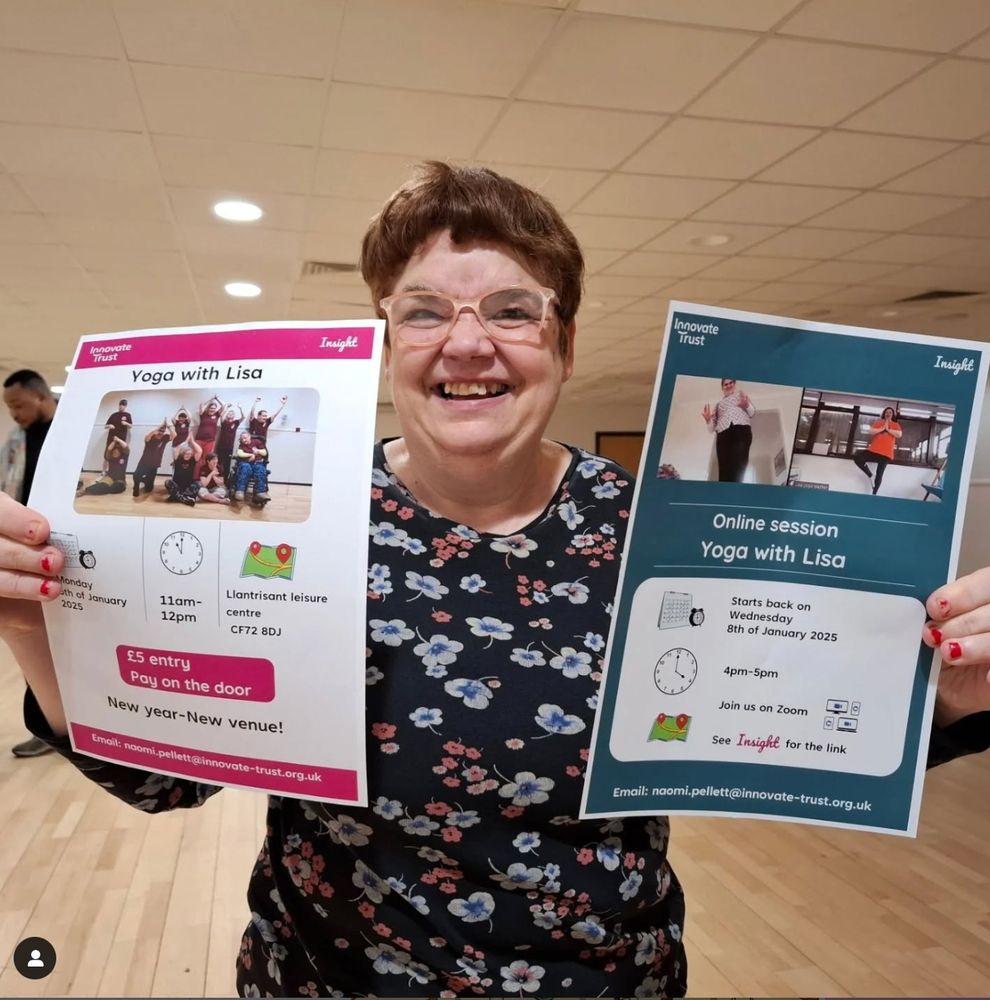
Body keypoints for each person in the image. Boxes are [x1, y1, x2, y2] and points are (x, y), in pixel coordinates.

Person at [1, 164, 989, 998]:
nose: (467, 341)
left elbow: (796, 726)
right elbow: (161, 775)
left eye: (512, 311)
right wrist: (25, 619)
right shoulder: (293, 515)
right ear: (389, 350)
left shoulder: (666, 526)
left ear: (562, 346)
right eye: (425, 312)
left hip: (604, 979)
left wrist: (941, 694)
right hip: (330, 977)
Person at [0, 369, 57, 758]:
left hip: (69, 553)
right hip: (26, 553)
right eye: (9, 408)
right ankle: (49, 725)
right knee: (29, 639)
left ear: (39, 397)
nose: (14, 414)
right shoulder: (15, 442)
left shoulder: (71, 431)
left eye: (18, 405)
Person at [702, 378, 754, 482]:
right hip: (723, 433)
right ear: (722, 387)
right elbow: (711, 429)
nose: (729, 385)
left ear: (734, 384)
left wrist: (746, 405)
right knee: (724, 468)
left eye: (731, 383)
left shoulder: (741, 396)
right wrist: (708, 420)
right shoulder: (718, 405)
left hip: (741, 429)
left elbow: (752, 412)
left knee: (739, 465)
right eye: (726, 384)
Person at [853, 406, 902, 495]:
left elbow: (899, 434)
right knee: (857, 458)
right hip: (874, 450)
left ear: (892, 415)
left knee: (879, 474)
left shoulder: (896, 425)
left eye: (890, 412)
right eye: (886, 412)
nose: (888, 414)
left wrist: (888, 429)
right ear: (884, 414)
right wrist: (883, 428)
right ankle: (870, 475)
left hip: (886, 454)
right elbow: (871, 431)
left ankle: (874, 494)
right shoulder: (878, 422)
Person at [132, 419, 174, 496]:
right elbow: (146, 438)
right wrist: (158, 428)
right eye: (160, 430)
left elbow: (174, 436)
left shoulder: (165, 438)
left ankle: (145, 480)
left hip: (155, 464)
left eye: (163, 430)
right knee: (136, 475)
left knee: (149, 489)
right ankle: (136, 487)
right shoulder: (152, 436)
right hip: (144, 461)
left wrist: (169, 427)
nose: (161, 432)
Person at [163, 434, 202, 507]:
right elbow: (177, 449)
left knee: (198, 483)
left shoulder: (192, 460)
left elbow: (199, 451)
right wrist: (186, 441)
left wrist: (192, 441)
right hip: (177, 485)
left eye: (190, 454)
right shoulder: (178, 459)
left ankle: (178, 497)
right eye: (186, 453)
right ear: (183, 453)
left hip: (188, 487)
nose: (188, 455)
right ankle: (184, 498)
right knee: (167, 482)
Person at [193, 395, 225, 478]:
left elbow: (223, 406)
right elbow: (201, 405)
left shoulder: (217, 415)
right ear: (208, 408)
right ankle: (195, 478)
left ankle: (203, 477)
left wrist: (217, 399)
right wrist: (210, 399)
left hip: (210, 441)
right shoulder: (203, 414)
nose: (212, 410)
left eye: (214, 408)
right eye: (211, 408)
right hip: (199, 439)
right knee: (197, 458)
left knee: (206, 459)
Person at [232, 431, 269, 503]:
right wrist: (251, 455)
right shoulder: (242, 445)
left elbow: (264, 452)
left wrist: (257, 451)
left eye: (245, 438)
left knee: (260, 469)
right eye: (242, 439)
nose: (244, 440)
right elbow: (240, 454)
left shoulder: (257, 442)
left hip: (257, 463)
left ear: (249, 437)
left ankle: (260, 492)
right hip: (246, 463)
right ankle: (240, 491)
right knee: (245, 467)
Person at [214, 403, 244, 483]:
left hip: (229, 447)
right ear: (227, 415)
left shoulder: (236, 422)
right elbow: (221, 416)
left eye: (232, 413)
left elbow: (243, 417)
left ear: (234, 416)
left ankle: (225, 480)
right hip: (220, 446)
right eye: (229, 413)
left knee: (227, 464)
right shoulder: (224, 422)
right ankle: (216, 478)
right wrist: (226, 408)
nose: (230, 414)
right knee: (218, 463)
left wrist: (240, 408)